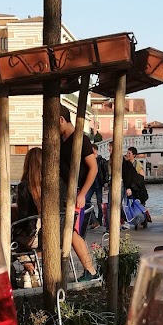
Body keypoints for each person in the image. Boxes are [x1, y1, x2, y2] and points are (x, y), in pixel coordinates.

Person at [59, 105, 99, 281]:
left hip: (75, 194)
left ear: (61, 119)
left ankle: (91, 271)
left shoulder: (80, 139)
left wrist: (82, 194)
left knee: (72, 233)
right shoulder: (60, 141)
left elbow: (94, 168)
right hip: (63, 193)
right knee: (67, 233)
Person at [15, 146, 42, 251]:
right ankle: (29, 265)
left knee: (3, 237)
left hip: (32, 236)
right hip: (51, 235)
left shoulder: (25, 186)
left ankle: (28, 265)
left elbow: (23, 218)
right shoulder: (51, 186)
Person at [86, 144, 109, 230]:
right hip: (90, 183)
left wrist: (106, 182)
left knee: (99, 202)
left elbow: (105, 172)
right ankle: (93, 219)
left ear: (95, 150)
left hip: (99, 183)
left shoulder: (102, 161)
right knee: (86, 200)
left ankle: (99, 220)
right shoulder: (88, 160)